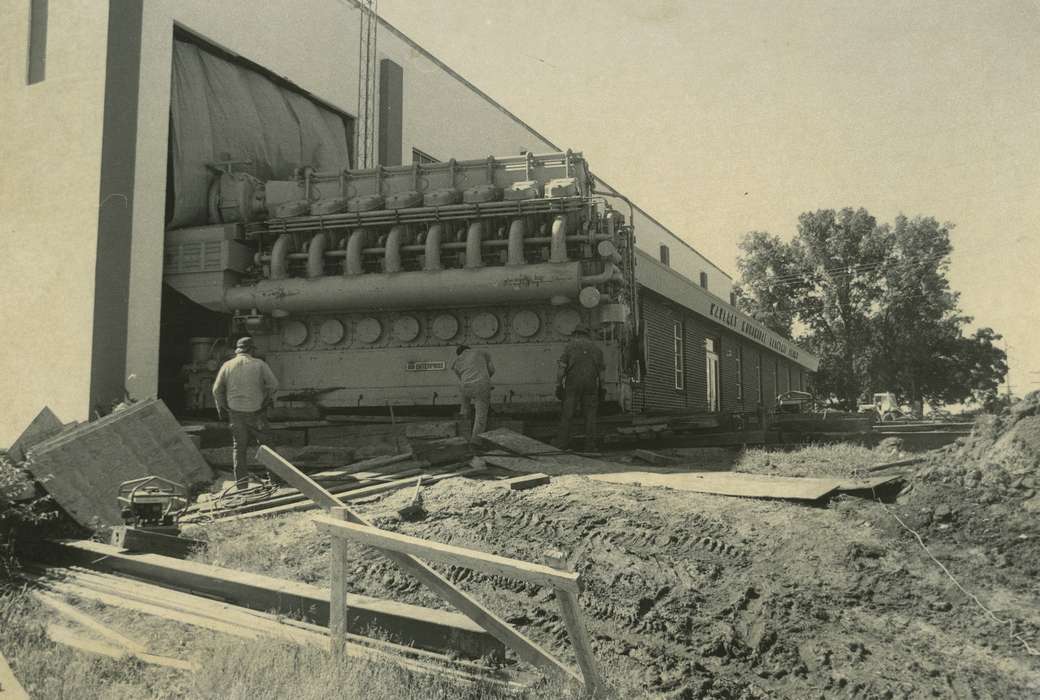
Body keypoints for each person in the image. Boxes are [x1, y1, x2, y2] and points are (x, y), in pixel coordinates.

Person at [212, 336, 279, 488]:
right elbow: (274, 385)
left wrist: (223, 407)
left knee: (239, 448)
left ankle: (242, 486)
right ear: (251, 350)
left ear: (238, 350)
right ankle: (274, 480)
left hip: (235, 413)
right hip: (256, 412)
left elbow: (216, 390)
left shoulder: (227, 365)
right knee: (267, 446)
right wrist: (266, 401)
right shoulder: (259, 364)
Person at [555, 324, 605, 451]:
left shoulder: (569, 347)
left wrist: (558, 385)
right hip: (591, 384)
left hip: (573, 384)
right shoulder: (597, 349)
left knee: (568, 414)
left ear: (576, 334)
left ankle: (562, 445)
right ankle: (590, 446)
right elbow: (602, 374)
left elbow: (561, 369)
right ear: (587, 335)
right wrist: (602, 388)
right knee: (590, 416)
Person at [451, 344, 495, 441]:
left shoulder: (456, 362)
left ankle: (462, 438)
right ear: (468, 349)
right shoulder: (480, 352)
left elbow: (461, 378)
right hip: (481, 385)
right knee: (480, 415)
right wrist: (486, 379)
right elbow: (492, 370)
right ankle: (476, 441)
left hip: (465, 387)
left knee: (465, 410)